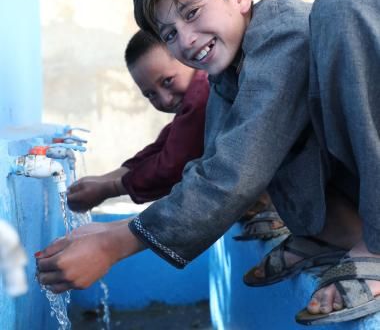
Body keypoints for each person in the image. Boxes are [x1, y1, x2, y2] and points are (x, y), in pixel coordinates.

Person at [36, 0, 380, 326]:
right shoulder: (227, 75)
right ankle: (335, 231)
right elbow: (212, 164)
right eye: (168, 34)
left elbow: (236, 170)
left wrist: (118, 242)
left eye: (192, 12)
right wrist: (118, 227)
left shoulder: (282, 34)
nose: (185, 39)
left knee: (346, 1)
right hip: (345, 197)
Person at [67, 29, 287, 239]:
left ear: (187, 58)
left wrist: (109, 188)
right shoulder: (197, 95)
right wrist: (106, 178)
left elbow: (171, 166)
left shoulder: (203, 95)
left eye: (167, 81)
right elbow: (164, 145)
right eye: (150, 94)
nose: (164, 99)